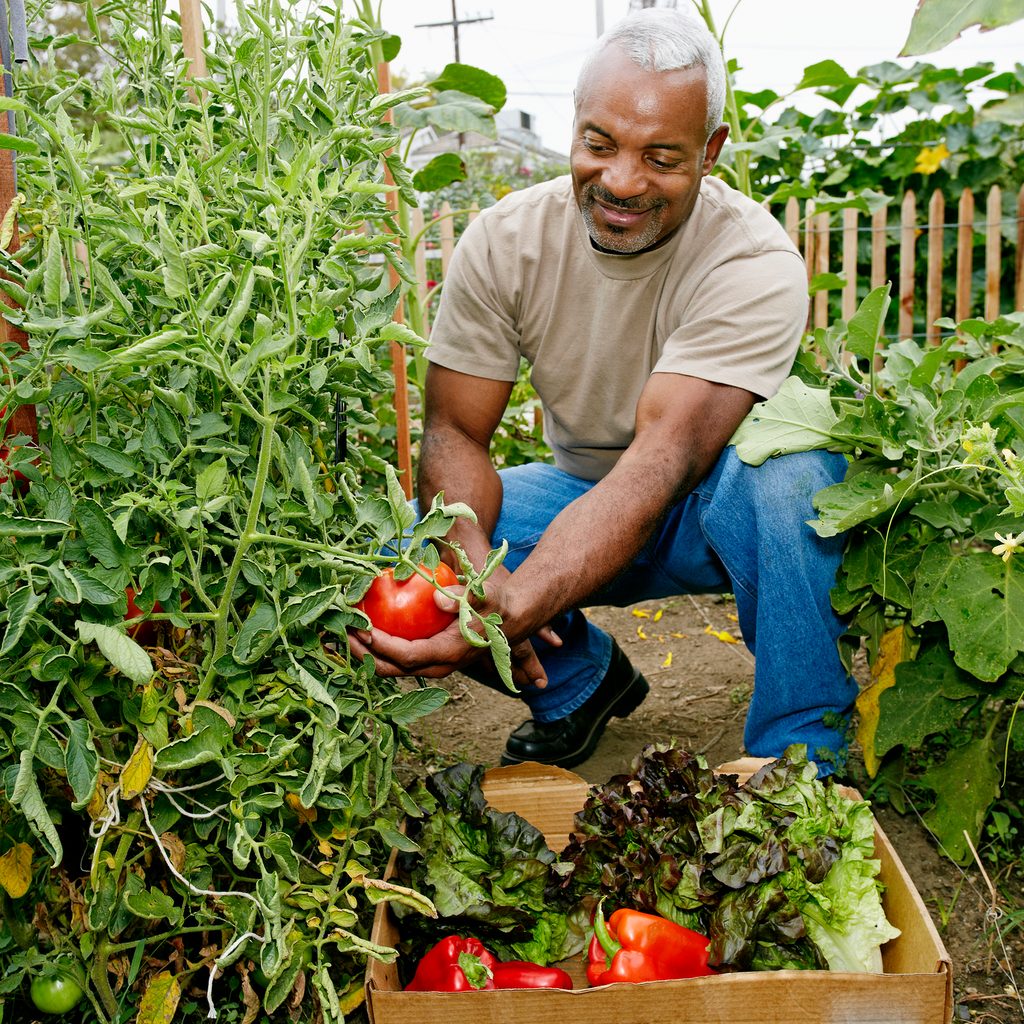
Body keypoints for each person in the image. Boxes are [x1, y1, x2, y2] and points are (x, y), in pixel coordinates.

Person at [350, 7, 856, 775]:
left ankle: (801, 761)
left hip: (715, 506)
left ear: (712, 151)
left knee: (794, 484)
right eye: (598, 144)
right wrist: (479, 584)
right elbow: (456, 434)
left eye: (661, 156)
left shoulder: (753, 261)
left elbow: (668, 457)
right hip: (580, 495)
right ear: (575, 126)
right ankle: (581, 686)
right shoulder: (506, 240)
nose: (621, 181)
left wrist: (512, 610)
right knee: (410, 553)